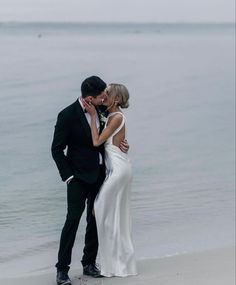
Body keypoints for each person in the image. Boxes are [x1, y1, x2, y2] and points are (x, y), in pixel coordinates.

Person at [51, 76, 128, 285]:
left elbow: (109, 135)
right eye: (102, 94)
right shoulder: (67, 115)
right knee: (72, 221)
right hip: (77, 178)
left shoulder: (102, 110)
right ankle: (62, 270)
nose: (105, 97)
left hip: (101, 174)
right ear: (90, 98)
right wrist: (68, 176)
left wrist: (122, 143)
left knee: (95, 218)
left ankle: (89, 263)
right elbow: (57, 149)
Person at [83, 83, 137, 277]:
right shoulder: (113, 116)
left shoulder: (116, 117)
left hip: (119, 171)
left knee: (100, 209)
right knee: (111, 214)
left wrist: (93, 118)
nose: (104, 95)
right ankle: (115, 262)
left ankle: (115, 262)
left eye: (107, 93)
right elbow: (116, 142)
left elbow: (97, 141)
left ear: (115, 98)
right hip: (117, 168)